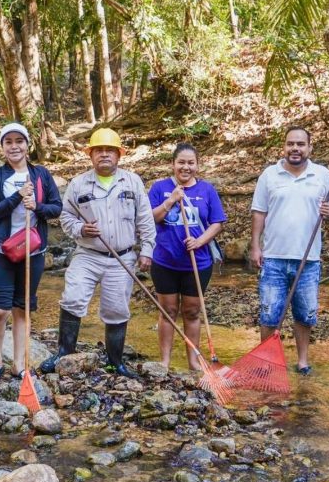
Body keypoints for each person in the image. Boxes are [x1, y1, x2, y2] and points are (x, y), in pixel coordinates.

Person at [40, 127, 155, 378]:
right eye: (99, 150)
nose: (104, 154)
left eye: (109, 150)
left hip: (122, 257)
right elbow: (66, 217)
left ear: (119, 155)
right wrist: (81, 228)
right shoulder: (78, 184)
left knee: (116, 308)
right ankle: (64, 352)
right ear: (90, 155)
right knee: (73, 297)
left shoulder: (132, 182)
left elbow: (145, 219)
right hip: (88, 254)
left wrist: (147, 250)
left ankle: (115, 363)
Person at [250, 125, 329, 376]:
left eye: (301, 144)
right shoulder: (270, 175)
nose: (295, 149)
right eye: (291, 144)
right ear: (284, 147)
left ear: (309, 148)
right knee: (269, 312)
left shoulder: (322, 175)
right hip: (274, 257)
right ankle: (267, 360)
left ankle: (302, 360)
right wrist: (256, 246)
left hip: (308, 258)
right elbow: (259, 212)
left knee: (305, 313)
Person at [0, 123, 62, 382]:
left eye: (19, 141)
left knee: (22, 309)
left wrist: (36, 206)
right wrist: (17, 197)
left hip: (32, 250)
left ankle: (18, 363)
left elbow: (56, 208)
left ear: (28, 145)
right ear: (2, 146)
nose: (14, 146)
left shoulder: (41, 175)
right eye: (9, 142)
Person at [148, 144, 227, 370]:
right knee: (168, 311)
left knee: (192, 311)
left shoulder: (207, 190)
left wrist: (200, 240)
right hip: (165, 260)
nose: (186, 167)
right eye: (181, 162)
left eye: (190, 163)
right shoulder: (159, 188)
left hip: (197, 262)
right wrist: (170, 200)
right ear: (173, 164)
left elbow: (217, 223)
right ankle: (164, 361)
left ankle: (193, 361)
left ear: (197, 165)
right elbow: (151, 217)